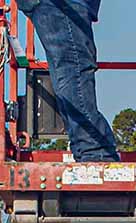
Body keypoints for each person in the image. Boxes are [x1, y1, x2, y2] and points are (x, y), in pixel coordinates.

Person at [19, 0, 120, 162]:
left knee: (67, 70)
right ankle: (95, 150)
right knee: (73, 67)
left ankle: (85, 148)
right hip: (62, 4)